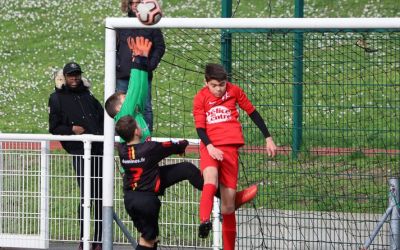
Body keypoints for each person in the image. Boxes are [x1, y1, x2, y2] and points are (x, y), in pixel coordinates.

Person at [193, 63, 278, 249]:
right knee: (210, 180)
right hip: (210, 147)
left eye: (222, 84)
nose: (218, 89)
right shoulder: (200, 98)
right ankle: (204, 221)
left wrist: (268, 138)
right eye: (214, 85)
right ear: (206, 82)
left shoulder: (234, 91)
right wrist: (210, 146)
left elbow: (252, 112)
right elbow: (199, 128)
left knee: (228, 207)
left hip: (230, 150)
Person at [48, 62, 103, 250]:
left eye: (77, 74)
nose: (75, 78)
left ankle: (99, 239)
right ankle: (84, 239)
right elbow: (54, 128)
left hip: (99, 151)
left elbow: (102, 118)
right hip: (80, 152)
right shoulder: (56, 98)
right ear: (64, 76)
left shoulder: (88, 96)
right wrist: (72, 130)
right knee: (87, 196)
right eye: (71, 75)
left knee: (101, 198)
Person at [116, 0, 165, 132]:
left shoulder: (151, 25)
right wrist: (118, 65)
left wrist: (150, 65)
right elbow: (113, 48)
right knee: (121, 107)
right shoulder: (120, 25)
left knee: (145, 107)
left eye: (138, 2)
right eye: (132, 2)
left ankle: (146, 137)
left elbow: (160, 47)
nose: (135, 5)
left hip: (143, 73)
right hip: (123, 76)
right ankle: (123, 137)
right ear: (128, 5)